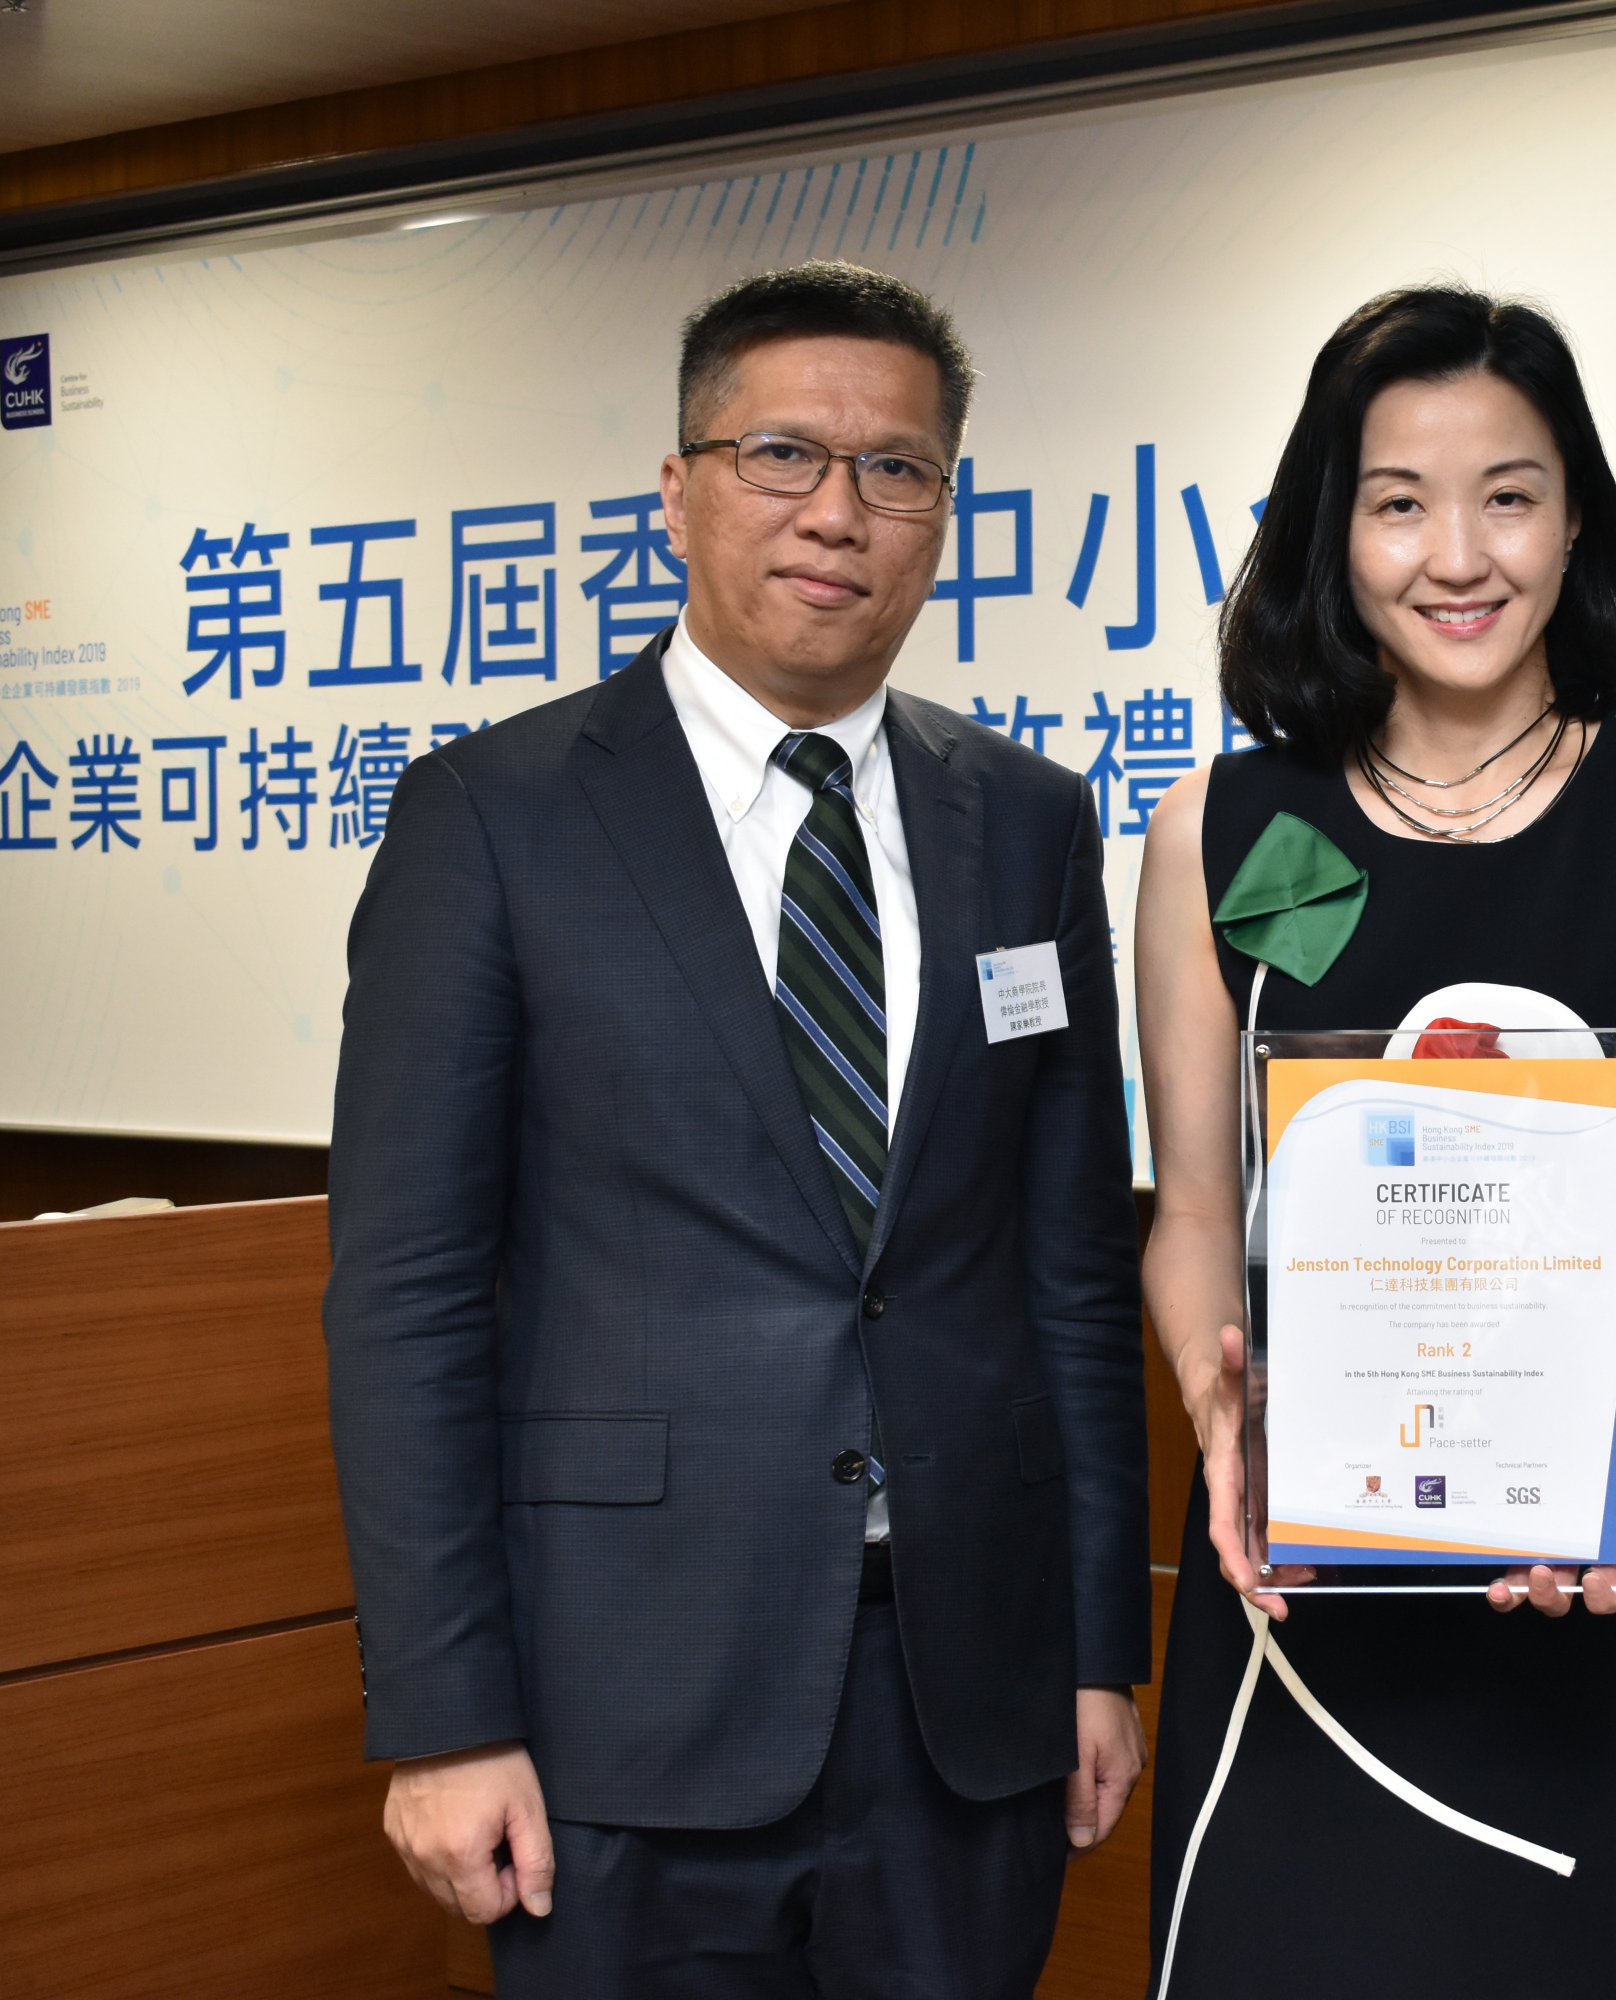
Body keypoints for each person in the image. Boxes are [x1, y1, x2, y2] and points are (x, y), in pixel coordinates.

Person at [322, 260, 1149, 1998]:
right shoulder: (494, 816)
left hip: (965, 1700)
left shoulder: (1028, 822)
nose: (838, 511)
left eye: (897, 469)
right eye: (782, 455)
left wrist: (1096, 1650)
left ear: (943, 514)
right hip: (618, 1705)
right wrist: (445, 1713)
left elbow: (1068, 1271)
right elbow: (406, 1294)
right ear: (679, 490)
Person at [1132, 286, 1616, 1998]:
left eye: (1509, 495)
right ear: (1329, 532)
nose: (1460, 552)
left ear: (1574, 517)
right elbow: (1196, 1208)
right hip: (1301, 1560)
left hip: (1605, 1551)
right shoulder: (1222, 825)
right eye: (1398, 501)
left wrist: (1573, 1412)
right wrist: (1233, 1411)